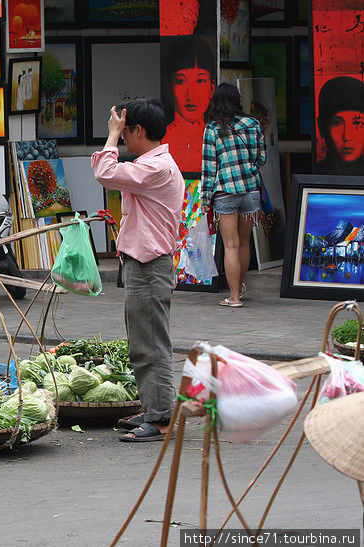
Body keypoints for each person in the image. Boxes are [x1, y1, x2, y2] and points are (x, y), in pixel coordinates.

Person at [90, 98, 184, 442]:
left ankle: (160, 418)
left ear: (137, 130)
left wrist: (111, 137)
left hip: (149, 266)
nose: (122, 136)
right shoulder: (153, 163)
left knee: (151, 344)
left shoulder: (156, 167)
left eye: (125, 130)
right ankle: (154, 408)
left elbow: (105, 173)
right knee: (143, 342)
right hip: (144, 264)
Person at [201, 83, 266, 308]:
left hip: (225, 190)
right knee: (245, 243)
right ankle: (240, 287)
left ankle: (234, 296)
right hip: (250, 189)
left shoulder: (212, 129)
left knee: (231, 245)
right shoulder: (253, 124)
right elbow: (261, 159)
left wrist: (204, 199)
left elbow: (209, 168)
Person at [161, 36, 216, 172]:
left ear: (212, 88)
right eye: (180, 81)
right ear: (169, 87)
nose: (190, 95)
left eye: (200, 81)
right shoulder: (161, 140)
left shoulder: (217, 137)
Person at [314, 76, 364, 176]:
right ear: (322, 127)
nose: (347, 137)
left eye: (357, 123)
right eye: (337, 123)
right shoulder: (314, 177)